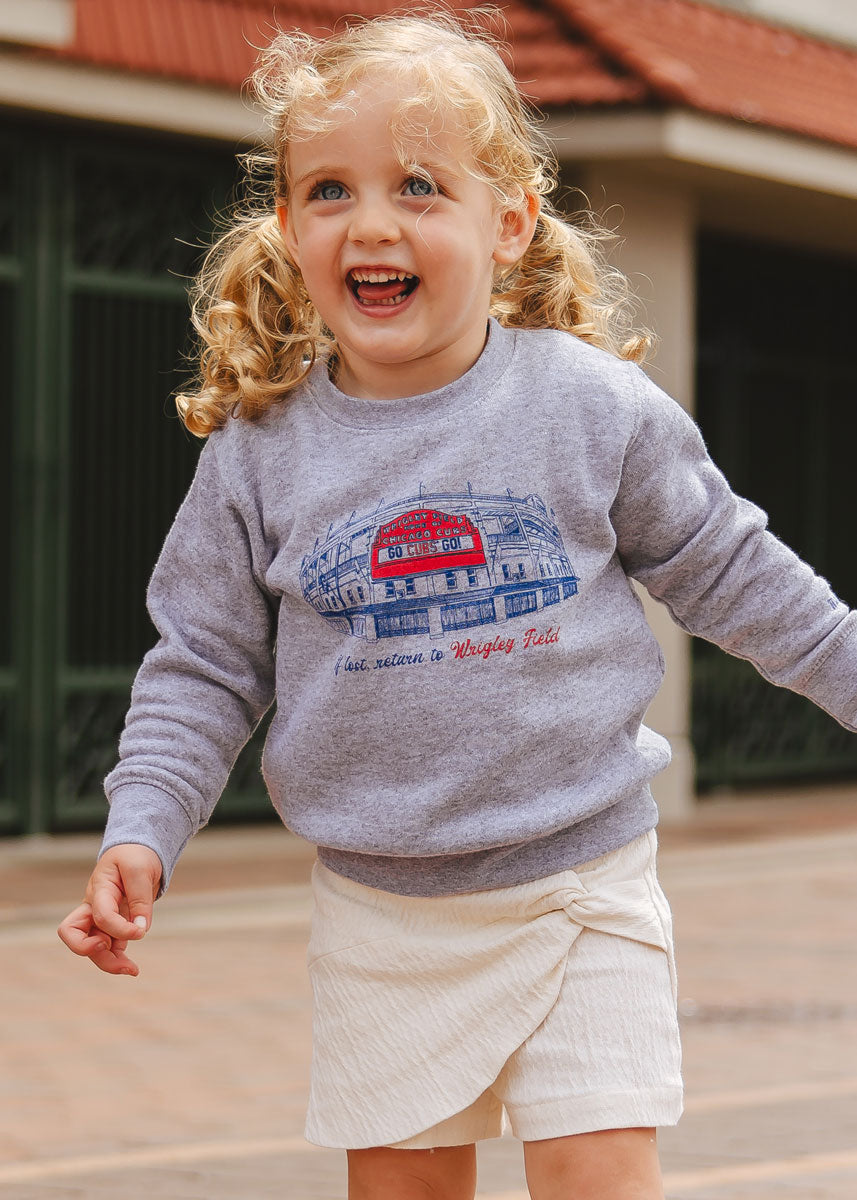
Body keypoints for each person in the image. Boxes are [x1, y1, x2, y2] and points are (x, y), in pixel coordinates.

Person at [58, 12, 857, 1200]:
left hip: (579, 884)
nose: (371, 222)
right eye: (329, 190)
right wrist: (143, 826)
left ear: (509, 222)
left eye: (419, 186)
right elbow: (204, 666)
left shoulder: (590, 409)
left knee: (599, 1178)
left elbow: (740, 577)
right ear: (289, 228)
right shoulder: (260, 453)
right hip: (382, 913)